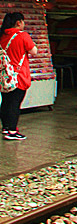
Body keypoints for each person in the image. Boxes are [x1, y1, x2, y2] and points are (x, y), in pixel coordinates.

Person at [0, 11, 38, 141]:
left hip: (5, 76)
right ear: (18, 22)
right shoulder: (22, 36)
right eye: (23, 21)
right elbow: (34, 51)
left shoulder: (2, 35)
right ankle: (12, 131)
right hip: (18, 76)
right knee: (15, 103)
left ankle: (5, 127)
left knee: (5, 101)